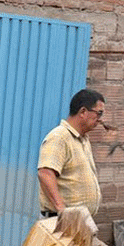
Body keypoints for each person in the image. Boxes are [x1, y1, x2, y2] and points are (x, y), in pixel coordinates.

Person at [37, 88, 105, 218]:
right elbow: (45, 173)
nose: (100, 120)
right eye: (99, 113)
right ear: (83, 112)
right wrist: (61, 209)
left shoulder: (82, 139)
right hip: (61, 220)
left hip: (79, 221)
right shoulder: (59, 137)